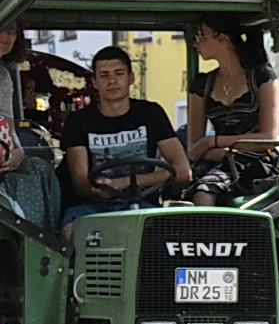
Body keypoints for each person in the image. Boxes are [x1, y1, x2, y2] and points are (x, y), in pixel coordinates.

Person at [60, 47, 192, 230]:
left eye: (119, 73)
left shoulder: (151, 113)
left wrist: (123, 183)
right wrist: (100, 190)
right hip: (93, 207)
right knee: (71, 232)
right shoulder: (78, 121)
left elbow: (183, 171)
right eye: (104, 75)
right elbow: (80, 182)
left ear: (131, 78)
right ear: (94, 82)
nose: (112, 81)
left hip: (144, 205)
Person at [184, 14, 279, 206]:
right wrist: (218, 150)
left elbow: (268, 138)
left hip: (256, 165)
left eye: (201, 35)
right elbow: (194, 150)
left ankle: (208, 237)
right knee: (178, 191)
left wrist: (212, 141)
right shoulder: (201, 85)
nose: (196, 43)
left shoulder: (263, 77)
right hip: (215, 163)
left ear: (222, 38)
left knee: (204, 192)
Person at [0, 22, 58, 230]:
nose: (5, 36)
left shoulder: (4, 77)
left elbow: (9, 125)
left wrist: (18, 151)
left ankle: (44, 241)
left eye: (11, 31)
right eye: (1, 29)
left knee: (38, 168)